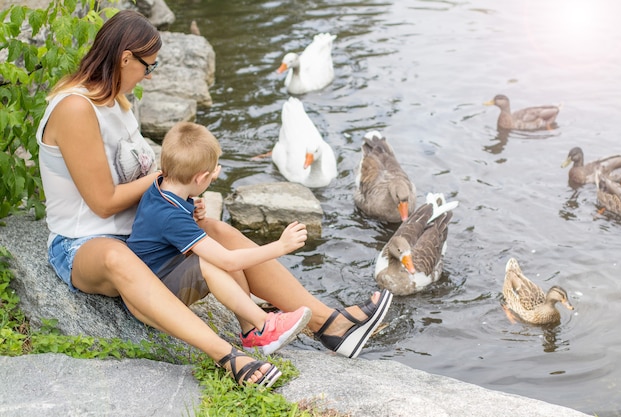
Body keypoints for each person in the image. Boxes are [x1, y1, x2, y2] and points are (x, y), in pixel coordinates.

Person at [36, 9, 393, 388]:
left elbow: (140, 182)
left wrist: (178, 200)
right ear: (126, 58)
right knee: (116, 256)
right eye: (148, 67)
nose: (148, 75)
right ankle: (227, 356)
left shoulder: (117, 102)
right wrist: (164, 179)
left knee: (214, 228)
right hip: (84, 244)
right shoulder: (76, 108)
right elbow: (104, 202)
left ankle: (329, 324)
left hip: (137, 232)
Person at [126, 121, 311, 358]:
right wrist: (280, 246)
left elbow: (168, 224)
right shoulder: (171, 216)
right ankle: (264, 323)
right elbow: (229, 261)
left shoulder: (162, 188)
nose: (214, 176)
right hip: (154, 297)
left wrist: (192, 209)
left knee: (214, 248)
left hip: (157, 276)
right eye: (212, 175)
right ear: (200, 177)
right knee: (212, 262)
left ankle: (250, 332)